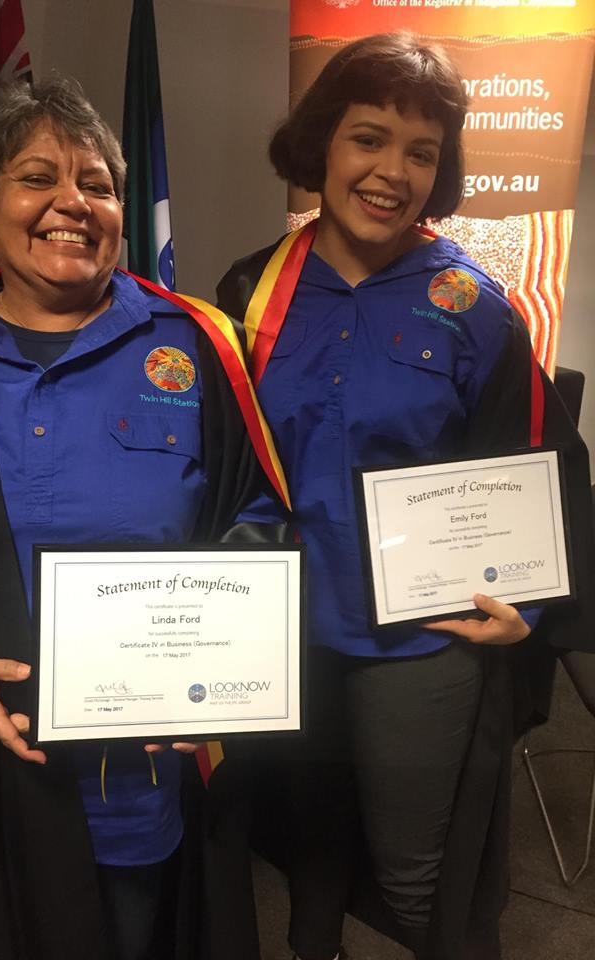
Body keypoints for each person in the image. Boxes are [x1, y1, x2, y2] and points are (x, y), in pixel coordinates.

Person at [0, 76, 285, 960]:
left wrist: (225, 670)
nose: (72, 202)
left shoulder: (197, 345)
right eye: (37, 178)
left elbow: (260, 518)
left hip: (132, 779)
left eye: (96, 183)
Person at [217, 32, 595, 960]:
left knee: (419, 875)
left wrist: (532, 607)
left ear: (442, 167)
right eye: (368, 139)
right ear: (323, 146)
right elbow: (219, 466)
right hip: (288, 637)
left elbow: (539, 464)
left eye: (420, 151)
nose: (392, 171)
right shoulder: (251, 291)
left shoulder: (478, 308)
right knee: (304, 856)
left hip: (420, 646)